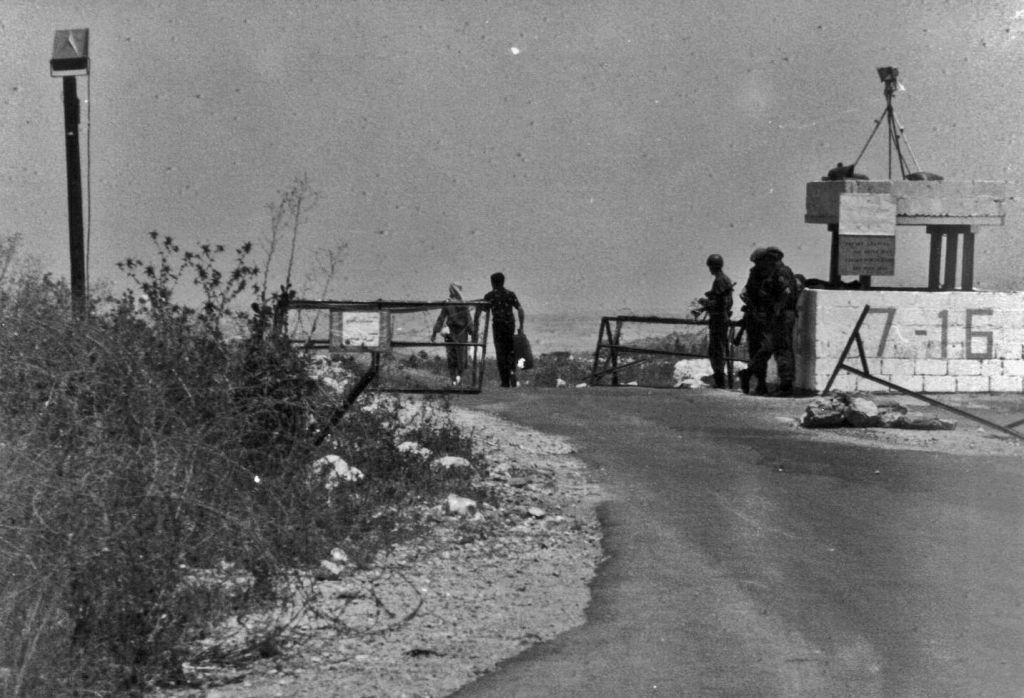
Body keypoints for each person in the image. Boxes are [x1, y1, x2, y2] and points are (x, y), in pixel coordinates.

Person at [745, 246, 798, 396]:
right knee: (776, 348)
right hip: (774, 314)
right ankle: (778, 384)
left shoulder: (781, 271)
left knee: (782, 348)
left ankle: (786, 386)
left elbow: (786, 293)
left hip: (781, 315)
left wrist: (778, 308)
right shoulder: (769, 272)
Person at [474, 272, 525, 388]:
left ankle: (505, 381)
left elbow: (480, 310)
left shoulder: (490, 296)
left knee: (501, 353)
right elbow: (520, 310)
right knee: (510, 350)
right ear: (503, 281)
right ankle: (512, 371)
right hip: (510, 326)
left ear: (492, 283)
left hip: (498, 326)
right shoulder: (510, 294)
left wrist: (476, 323)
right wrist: (521, 326)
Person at [736, 248, 772, 395]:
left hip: (756, 316)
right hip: (759, 316)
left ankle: (755, 379)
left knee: (759, 351)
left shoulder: (757, 274)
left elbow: (744, 294)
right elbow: (749, 294)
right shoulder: (760, 274)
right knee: (764, 348)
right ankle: (758, 381)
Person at [698, 254, 734, 388]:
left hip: (718, 320)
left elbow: (721, 303)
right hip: (721, 319)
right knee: (718, 350)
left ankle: (720, 382)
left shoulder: (719, 281)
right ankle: (721, 381)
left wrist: (706, 302)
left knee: (716, 351)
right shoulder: (724, 280)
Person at [431, 282, 472, 386]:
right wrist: (472, 331)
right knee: (462, 356)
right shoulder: (463, 303)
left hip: (450, 333)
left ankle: (453, 380)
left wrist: (435, 332)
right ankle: (459, 377)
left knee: (451, 356)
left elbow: (441, 318)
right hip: (462, 334)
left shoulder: (447, 303)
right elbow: (468, 319)